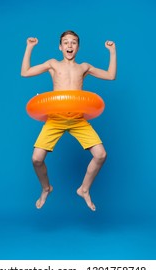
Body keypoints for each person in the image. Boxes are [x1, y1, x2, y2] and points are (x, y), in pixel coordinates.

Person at [21, 30, 117, 211]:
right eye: (66, 42)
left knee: (101, 155)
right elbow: (25, 72)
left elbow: (111, 76)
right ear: (60, 47)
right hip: (55, 118)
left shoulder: (84, 67)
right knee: (36, 159)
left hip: (77, 118)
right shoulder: (53, 64)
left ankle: (84, 189)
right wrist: (29, 47)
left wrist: (112, 52)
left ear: (78, 47)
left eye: (73, 42)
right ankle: (46, 187)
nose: (69, 45)